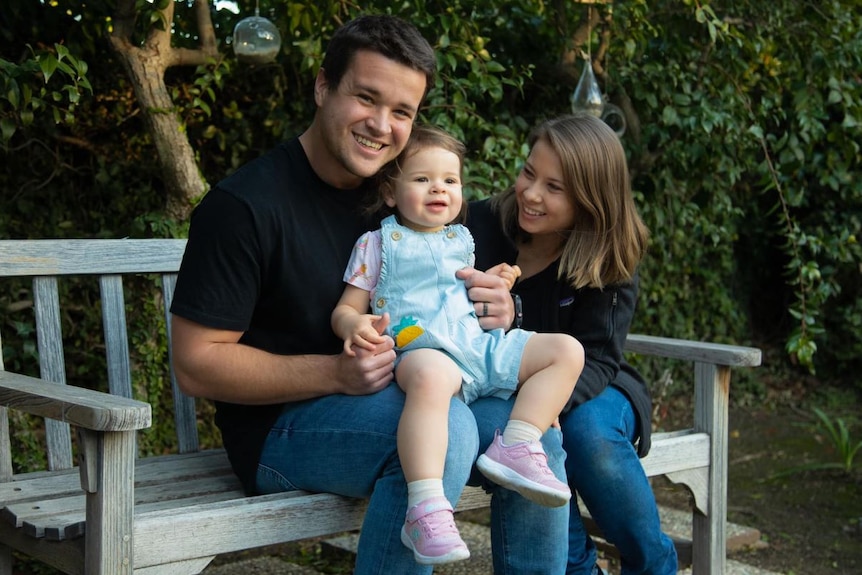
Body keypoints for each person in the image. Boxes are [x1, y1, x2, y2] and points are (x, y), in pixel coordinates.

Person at [169, 14, 570, 575]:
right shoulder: (245, 208)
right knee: (449, 430)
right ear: (322, 85)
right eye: (366, 98)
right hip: (281, 428)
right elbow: (195, 365)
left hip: (412, 383)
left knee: (537, 435)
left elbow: (476, 264)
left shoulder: (401, 193)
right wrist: (334, 374)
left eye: (402, 111)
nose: (382, 125)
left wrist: (501, 304)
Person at [332, 125, 584, 564]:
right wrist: (353, 325)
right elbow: (346, 307)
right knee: (431, 378)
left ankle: (519, 443)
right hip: (421, 350)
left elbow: (467, 299)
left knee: (566, 351)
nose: (439, 189)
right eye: (422, 179)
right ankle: (426, 506)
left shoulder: (462, 240)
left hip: (476, 349)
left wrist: (497, 283)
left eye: (450, 180)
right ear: (391, 192)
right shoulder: (377, 244)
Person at [468, 113, 679, 575]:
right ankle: (580, 568)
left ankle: (653, 564)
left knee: (585, 435)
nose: (531, 193)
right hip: (503, 387)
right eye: (528, 173)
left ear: (590, 199)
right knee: (535, 442)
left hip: (596, 384)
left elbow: (600, 358)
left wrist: (549, 409)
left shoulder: (609, 259)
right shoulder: (481, 224)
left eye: (555, 187)